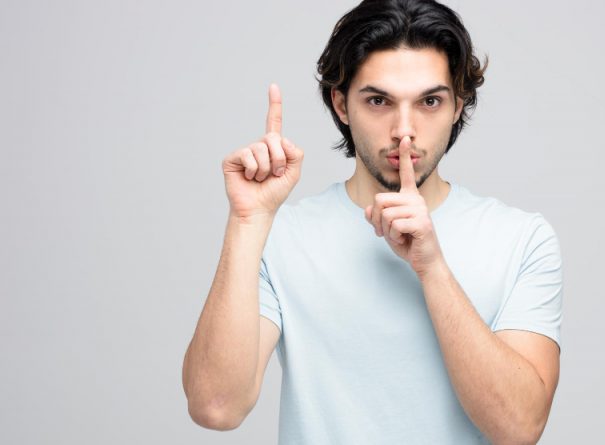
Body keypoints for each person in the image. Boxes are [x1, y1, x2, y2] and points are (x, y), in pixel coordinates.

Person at [182, 0, 563, 443]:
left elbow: (519, 427)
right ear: (341, 105)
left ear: (458, 105)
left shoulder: (521, 238)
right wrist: (248, 222)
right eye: (379, 100)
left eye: (430, 101)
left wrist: (432, 267)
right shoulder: (280, 235)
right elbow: (215, 407)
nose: (405, 130)